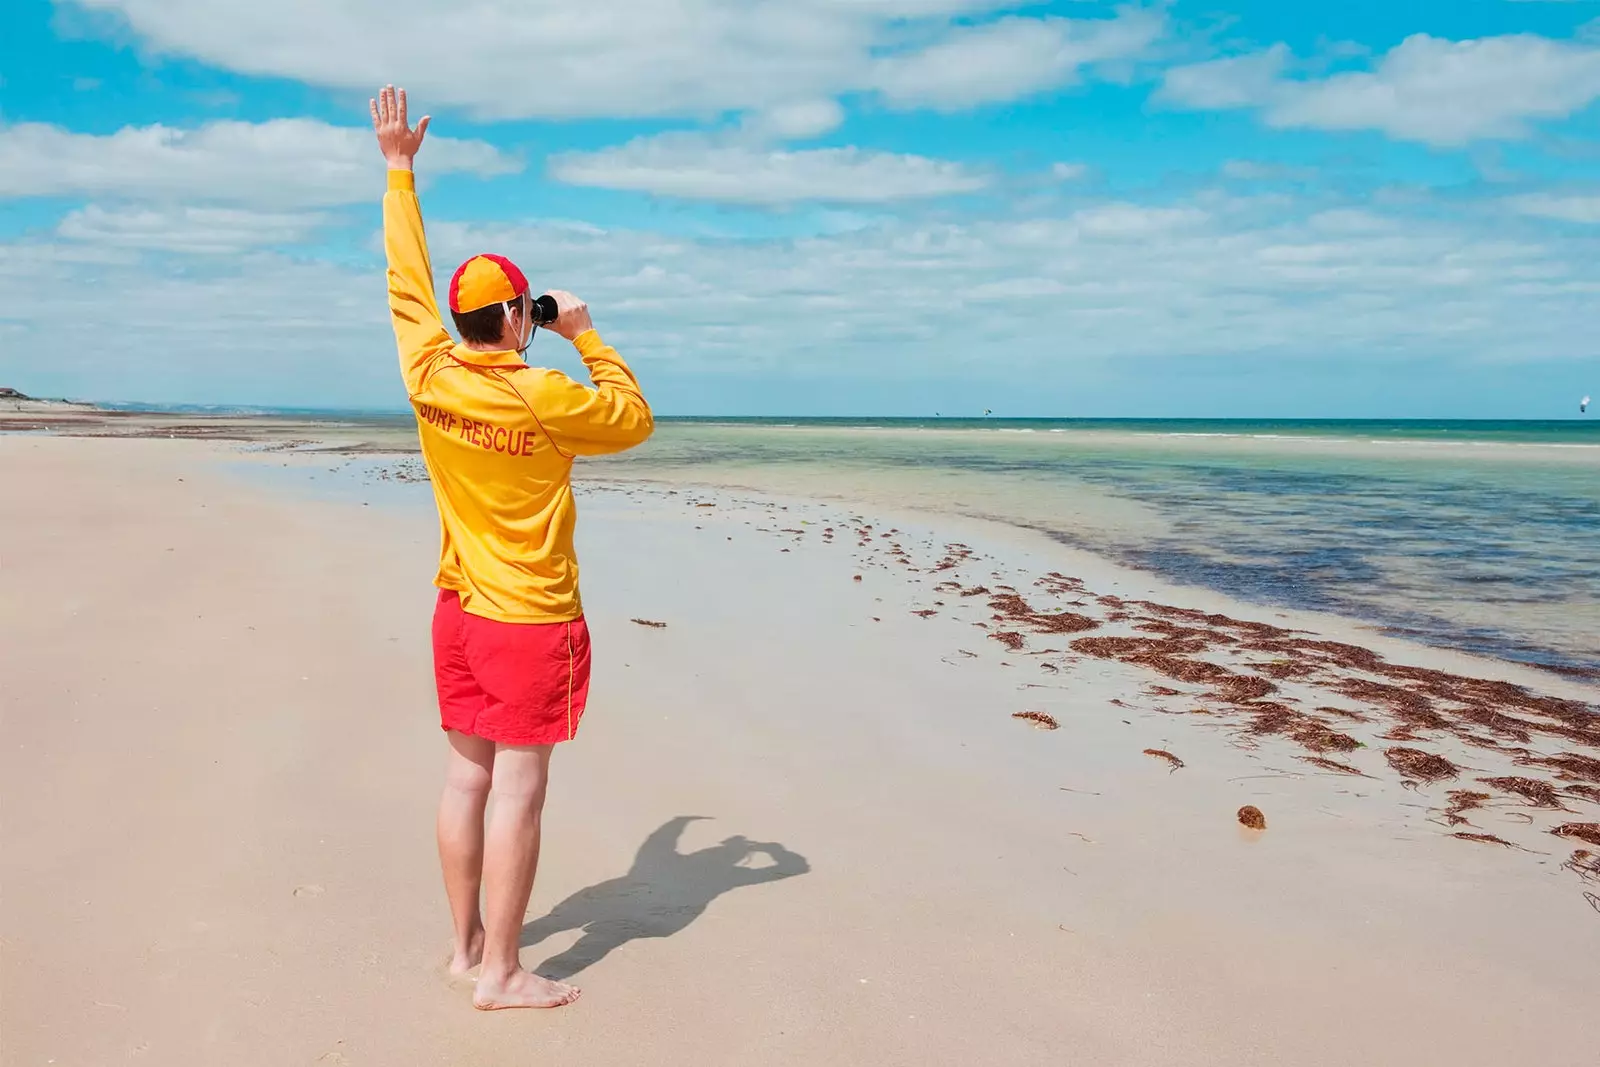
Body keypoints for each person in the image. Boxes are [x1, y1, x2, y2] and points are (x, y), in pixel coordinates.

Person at [370, 85, 653, 1010]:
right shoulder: (545, 391)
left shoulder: (428, 366)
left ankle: (464, 950)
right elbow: (635, 418)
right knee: (519, 791)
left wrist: (400, 170)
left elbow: (404, 278)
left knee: (466, 776)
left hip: (458, 607)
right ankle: (501, 972)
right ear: (519, 319)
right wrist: (585, 334)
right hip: (528, 618)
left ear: (462, 321)